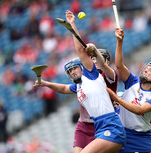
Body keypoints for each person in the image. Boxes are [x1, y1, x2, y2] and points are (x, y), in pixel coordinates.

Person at [34, 10, 125, 153]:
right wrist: (46, 83)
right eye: (70, 71)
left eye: (75, 68)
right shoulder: (81, 84)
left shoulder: (93, 76)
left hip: (111, 126)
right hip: (99, 127)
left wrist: (72, 26)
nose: (73, 72)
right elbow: (64, 89)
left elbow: (81, 51)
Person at [107, 28, 151, 153]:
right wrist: (120, 42)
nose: (146, 70)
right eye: (147, 68)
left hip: (142, 136)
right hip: (123, 131)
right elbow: (119, 65)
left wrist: (118, 99)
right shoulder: (133, 82)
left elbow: (140, 110)